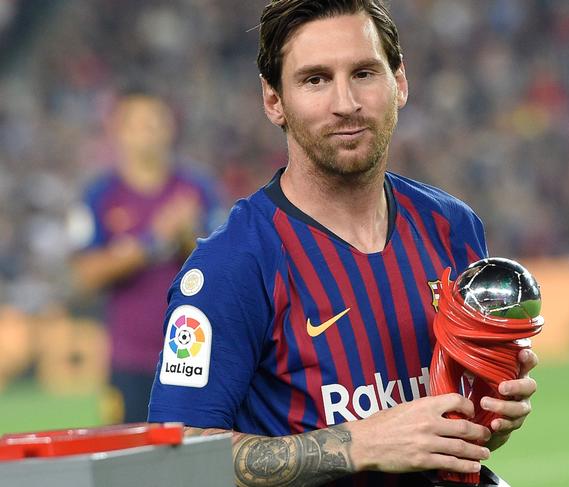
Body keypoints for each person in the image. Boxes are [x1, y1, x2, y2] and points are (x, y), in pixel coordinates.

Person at [148, 1, 538, 485]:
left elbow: (447, 430)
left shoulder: (451, 227)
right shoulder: (235, 264)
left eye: (364, 73)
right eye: (315, 79)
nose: (346, 102)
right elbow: (172, 461)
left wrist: (487, 414)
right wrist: (359, 444)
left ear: (400, 82)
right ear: (274, 101)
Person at [70, 90, 222, 423]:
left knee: (198, 462)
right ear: (118, 131)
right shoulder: (99, 195)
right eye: (139, 123)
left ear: (171, 127)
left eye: (156, 121)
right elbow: (85, 274)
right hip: (129, 362)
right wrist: (152, 242)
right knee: (132, 466)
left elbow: (223, 270)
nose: (149, 131)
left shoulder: (198, 188)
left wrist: (186, 238)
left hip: (193, 354)